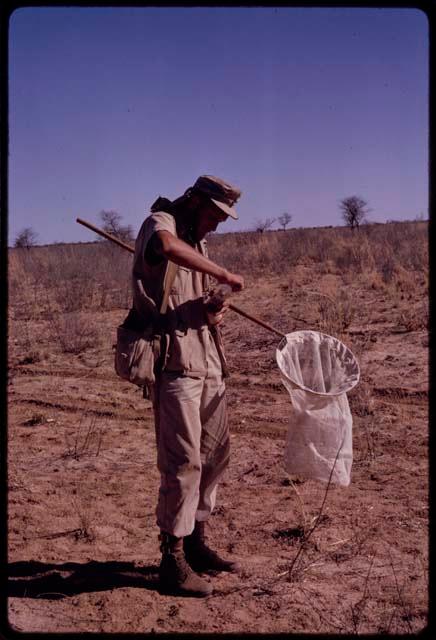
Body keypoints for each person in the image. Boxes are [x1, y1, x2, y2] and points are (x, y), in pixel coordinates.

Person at [131, 175, 245, 597]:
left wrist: (213, 306)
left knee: (216, 452)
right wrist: (223, 273)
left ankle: (196, 542)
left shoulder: (198, 242)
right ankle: (173, 559)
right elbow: (165, 247)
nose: (215, 225)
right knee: (183, 462)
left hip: (207, 357)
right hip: (174, 363)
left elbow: (191, 303)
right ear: (195, 202)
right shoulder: (161, 223)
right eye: (213, 215)